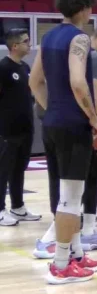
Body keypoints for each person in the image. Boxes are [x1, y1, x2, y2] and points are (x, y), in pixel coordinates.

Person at [28, 0, 97, 284]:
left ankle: (77, 254)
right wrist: (94, 119)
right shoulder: (79, 38)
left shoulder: (48, 37)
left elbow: (34, 81)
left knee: (75, 189)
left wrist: (53, 108)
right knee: (70, 198)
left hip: (53, 123)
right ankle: (60, 265)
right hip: (73, 124)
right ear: (84, 9)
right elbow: (78, 83)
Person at [0, 29, 40, 226]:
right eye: (26, 41)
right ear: (14, 46)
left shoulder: (25, 66)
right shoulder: (3, 67)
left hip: (25, 127)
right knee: (3, 170)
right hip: (7, 129)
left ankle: (18, 207)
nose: (29, 44)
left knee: (19, 168)